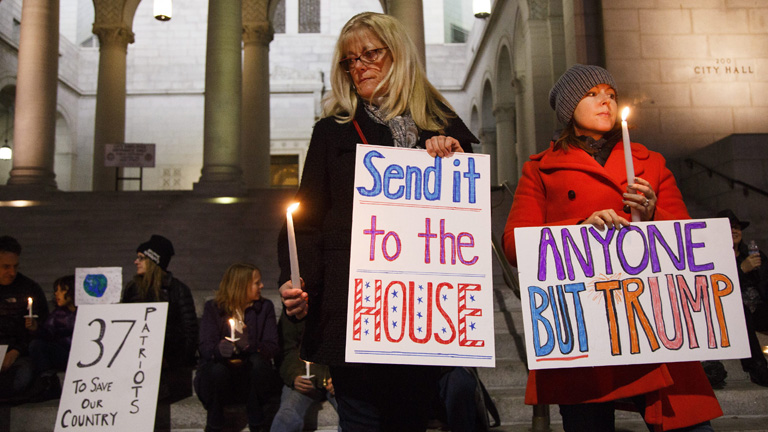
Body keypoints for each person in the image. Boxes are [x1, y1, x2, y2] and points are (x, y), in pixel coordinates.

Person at [277, 12, 477, 432]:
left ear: (398, 55)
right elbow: (306, 223)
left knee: (411, 421)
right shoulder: (332, 132)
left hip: (423, 314)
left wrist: (453, 158)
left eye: (370, 54)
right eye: (350, 60)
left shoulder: (442, 127)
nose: (359, 66)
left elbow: (464, 219)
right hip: (353, 310)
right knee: (360, 421)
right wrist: (298, 284)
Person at [502, 64, 722, 431]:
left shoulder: (651, 163)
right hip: (586, 322)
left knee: (688, 424)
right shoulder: (541, 169)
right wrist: (579, 229)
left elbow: (689, 237)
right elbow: (514, 244)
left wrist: (651, 213)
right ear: (569, 108)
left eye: (611, 94)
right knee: (587, 422)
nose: (605, 101)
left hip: (652, 317)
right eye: (592, 94)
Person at [195, 263, 280, 432]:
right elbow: (205, 346)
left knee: (257, 362)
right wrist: (220, 349)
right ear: (242, 285)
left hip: (250, 379)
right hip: (221, 379)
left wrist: (248, 345)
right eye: (257, 283)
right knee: (217, 369)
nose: (261, 286)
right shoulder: (214, 308)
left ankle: (257, 421)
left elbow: (272, 346)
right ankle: (215, 423)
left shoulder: (264, 308)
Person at [121, 234, 198, 398]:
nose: (136, 262)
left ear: (153, 261)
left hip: (168, 358)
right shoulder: (132, 288)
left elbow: (190, 331)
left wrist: (173, 361)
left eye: (141, 258)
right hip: (134, 355)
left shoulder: (178, 289)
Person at [718, 208, 768, 386]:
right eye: (729, 227)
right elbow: (716, 289)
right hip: (731, 314)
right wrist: (741, 270)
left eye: (737, 227)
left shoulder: (753, 254)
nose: (734, 231)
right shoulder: (715, 257)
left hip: (759, 309)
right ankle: (757, 367)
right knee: (742, 311)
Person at [270, 307, 338, 432]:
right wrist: (294, 375)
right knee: (286, 416)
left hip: (336, 379)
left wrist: (339, 376)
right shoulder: (295, 308)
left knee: (354, 417)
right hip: (304, 377)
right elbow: (286, 350)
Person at [0, 235, 49, 402]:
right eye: (6, 267)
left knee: (23, 374)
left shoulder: (29, 288)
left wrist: (16, 351)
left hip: (19, 354)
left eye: (15, 266)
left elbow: (43, 326)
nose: (11, 272)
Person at [26, 275, 77, 400]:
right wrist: (36, 328)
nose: (56, 293)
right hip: (64, 354)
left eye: (62, 290)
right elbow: (47, 334)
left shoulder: (86, 311)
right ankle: (48, 382)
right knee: (37, 345)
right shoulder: (58, 314)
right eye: (56, 290)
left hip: (84, 354)